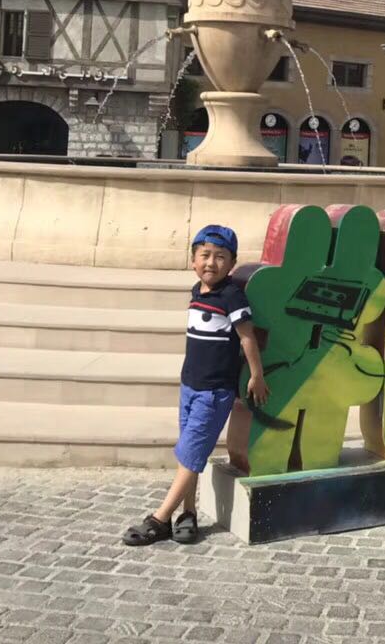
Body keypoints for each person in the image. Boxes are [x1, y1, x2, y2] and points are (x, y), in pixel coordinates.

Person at [121, 224, 268, 546]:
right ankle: (188, 513)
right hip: (189, 384)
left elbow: (247, 337)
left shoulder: (232, 296)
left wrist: (256, 375)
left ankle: (160, 519)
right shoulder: (196, 291)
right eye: (205, 255)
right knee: (190, 450)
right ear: (193, 260)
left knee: (191, 453)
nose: (211, 263)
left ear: (232, 263)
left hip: (214, 392)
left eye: (220, 257)